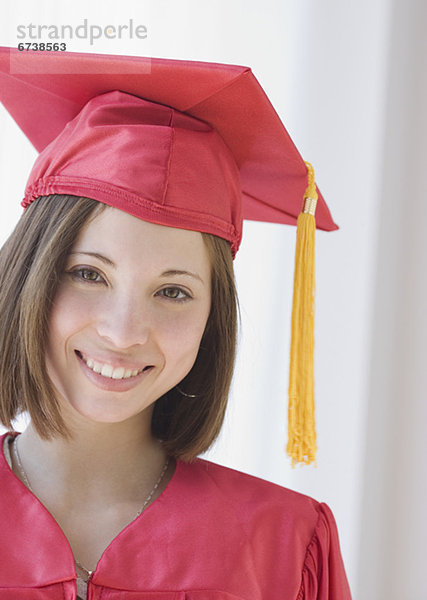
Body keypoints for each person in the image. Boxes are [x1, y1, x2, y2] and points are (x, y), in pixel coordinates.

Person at [0, 47, 352, 599]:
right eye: (88, 275)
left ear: (214, 318)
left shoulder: (282, 545)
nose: (123, 332)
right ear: (28, 277)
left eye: (172, 291)